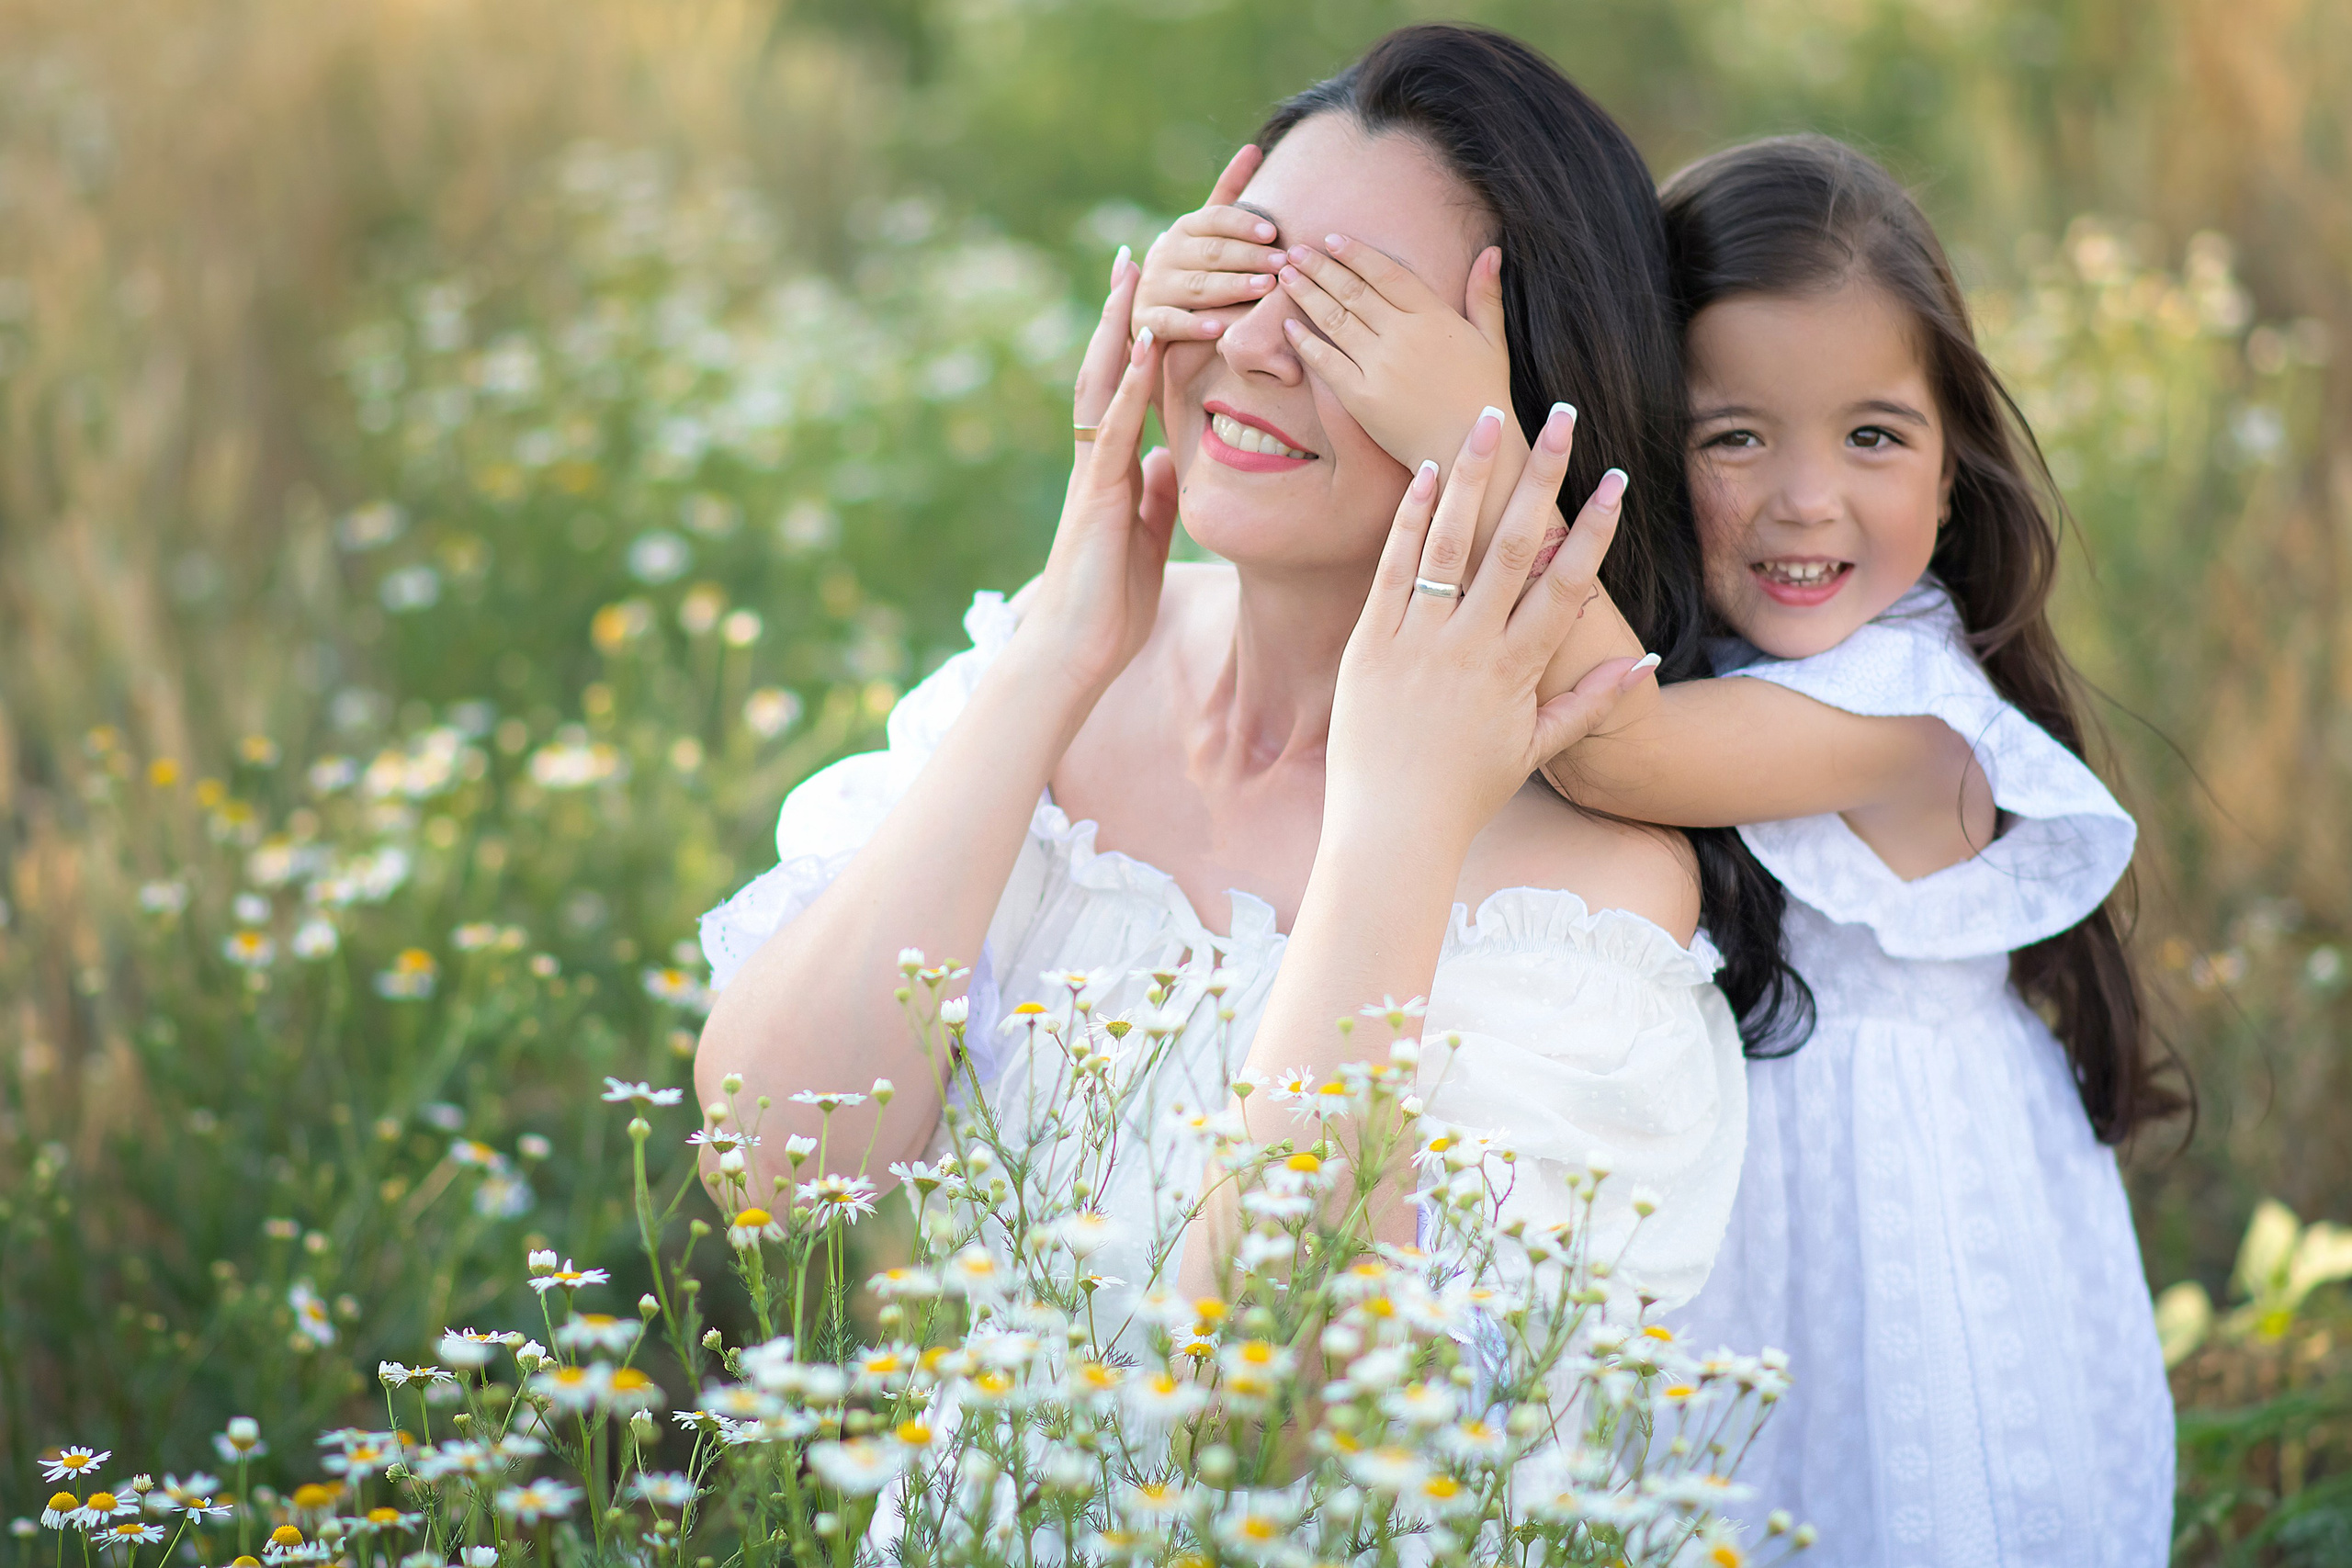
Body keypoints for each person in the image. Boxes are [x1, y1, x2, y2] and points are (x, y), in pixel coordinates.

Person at [1140, 130, 2177, 1563]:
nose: (1806, 498)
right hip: (1734, 1254)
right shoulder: (1716, 651)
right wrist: (1198, 297)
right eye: (1734, 437)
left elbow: (1609, 733)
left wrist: (1471, 435)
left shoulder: (1919, 713)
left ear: (1953, 480)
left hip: (1909, 1257)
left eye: (1874, 435)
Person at [695, 25, 1803, 1348]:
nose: (1262, 346)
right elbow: (776, 1171)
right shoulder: (1056, 683)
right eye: (1241, 266)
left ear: (1523, 407)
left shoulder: (1583, 894)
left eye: (1358, 317)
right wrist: (1050, 659)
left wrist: (1393, 819)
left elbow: (1270, 1411)